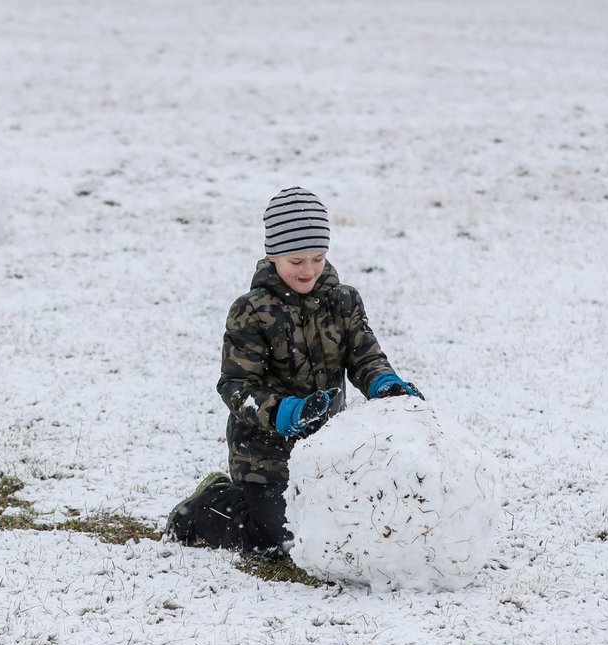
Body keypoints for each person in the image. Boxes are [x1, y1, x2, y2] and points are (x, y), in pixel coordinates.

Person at [164, 186, 424, 557]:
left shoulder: (343, 301)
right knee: (278, 541)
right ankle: (208, 503)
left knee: (341, 533)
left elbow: (365, 357)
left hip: (327, 452)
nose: (309, 270)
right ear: (273, 256)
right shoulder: (251, 311)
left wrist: (385, 384)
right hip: (263, 456)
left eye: (318, 258)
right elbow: (235, 385)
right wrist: (284, 413)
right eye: (296, 260)